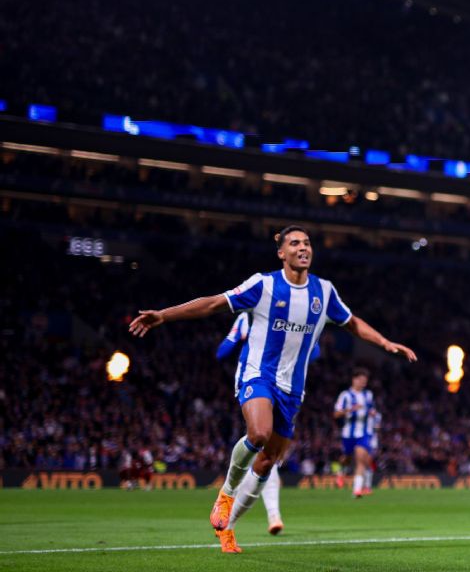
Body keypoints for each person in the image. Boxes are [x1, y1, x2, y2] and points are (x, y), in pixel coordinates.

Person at [129, 225, 417, 553]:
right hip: (258, 375)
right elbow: (213, 304)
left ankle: (228, 527)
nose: (303, 248)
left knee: (268, 462)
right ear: (281, 252)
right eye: (294, 243)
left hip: (293, 388)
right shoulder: (263, 285)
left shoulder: (323, 291)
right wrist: (163, 316)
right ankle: (226, 493)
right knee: (259, 433)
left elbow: (351, 322)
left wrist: (385, 343)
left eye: (306, 243)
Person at [217, 312, 311, 534]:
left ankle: (229, 523)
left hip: (288, 388)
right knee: (261, 438)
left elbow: (314, 351)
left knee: (270, 459)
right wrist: (246, 338)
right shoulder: (248, 316)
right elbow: (222, 352)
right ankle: (268, 513)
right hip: (257, 381)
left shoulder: (301, 315)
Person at [334, 367, 377, 498]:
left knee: (361, 459)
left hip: (364, 433)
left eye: (365, 381)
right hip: (348, 433)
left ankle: (357, 490)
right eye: (361, 380)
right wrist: (350, 409)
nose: (363, 383)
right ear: (354, 380)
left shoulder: (368, 395)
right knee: (346, 459)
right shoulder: (345, 395)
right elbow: (336, 414)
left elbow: (371, 408)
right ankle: (340, 471)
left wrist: (372, 413)